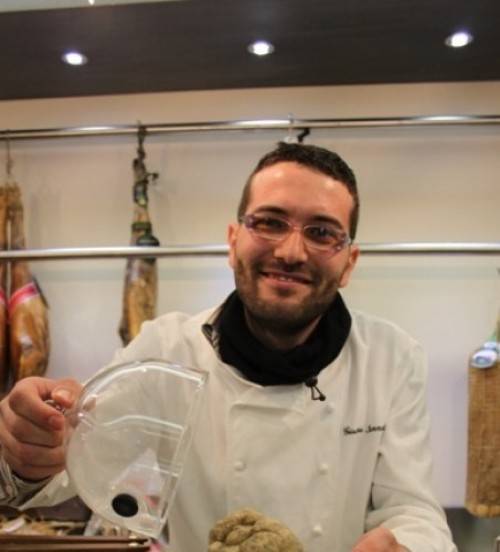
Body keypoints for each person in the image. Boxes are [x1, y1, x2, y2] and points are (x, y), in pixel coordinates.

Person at [0, 142, 456, 552]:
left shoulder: (390, 359)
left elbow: (414, 511)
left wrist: (406, 546)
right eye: (270, 222)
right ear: (233, 242)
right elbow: (75, 462)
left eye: (321, 232)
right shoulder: (167, 350)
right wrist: (32, 449)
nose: (291, 252)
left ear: (349, 263)